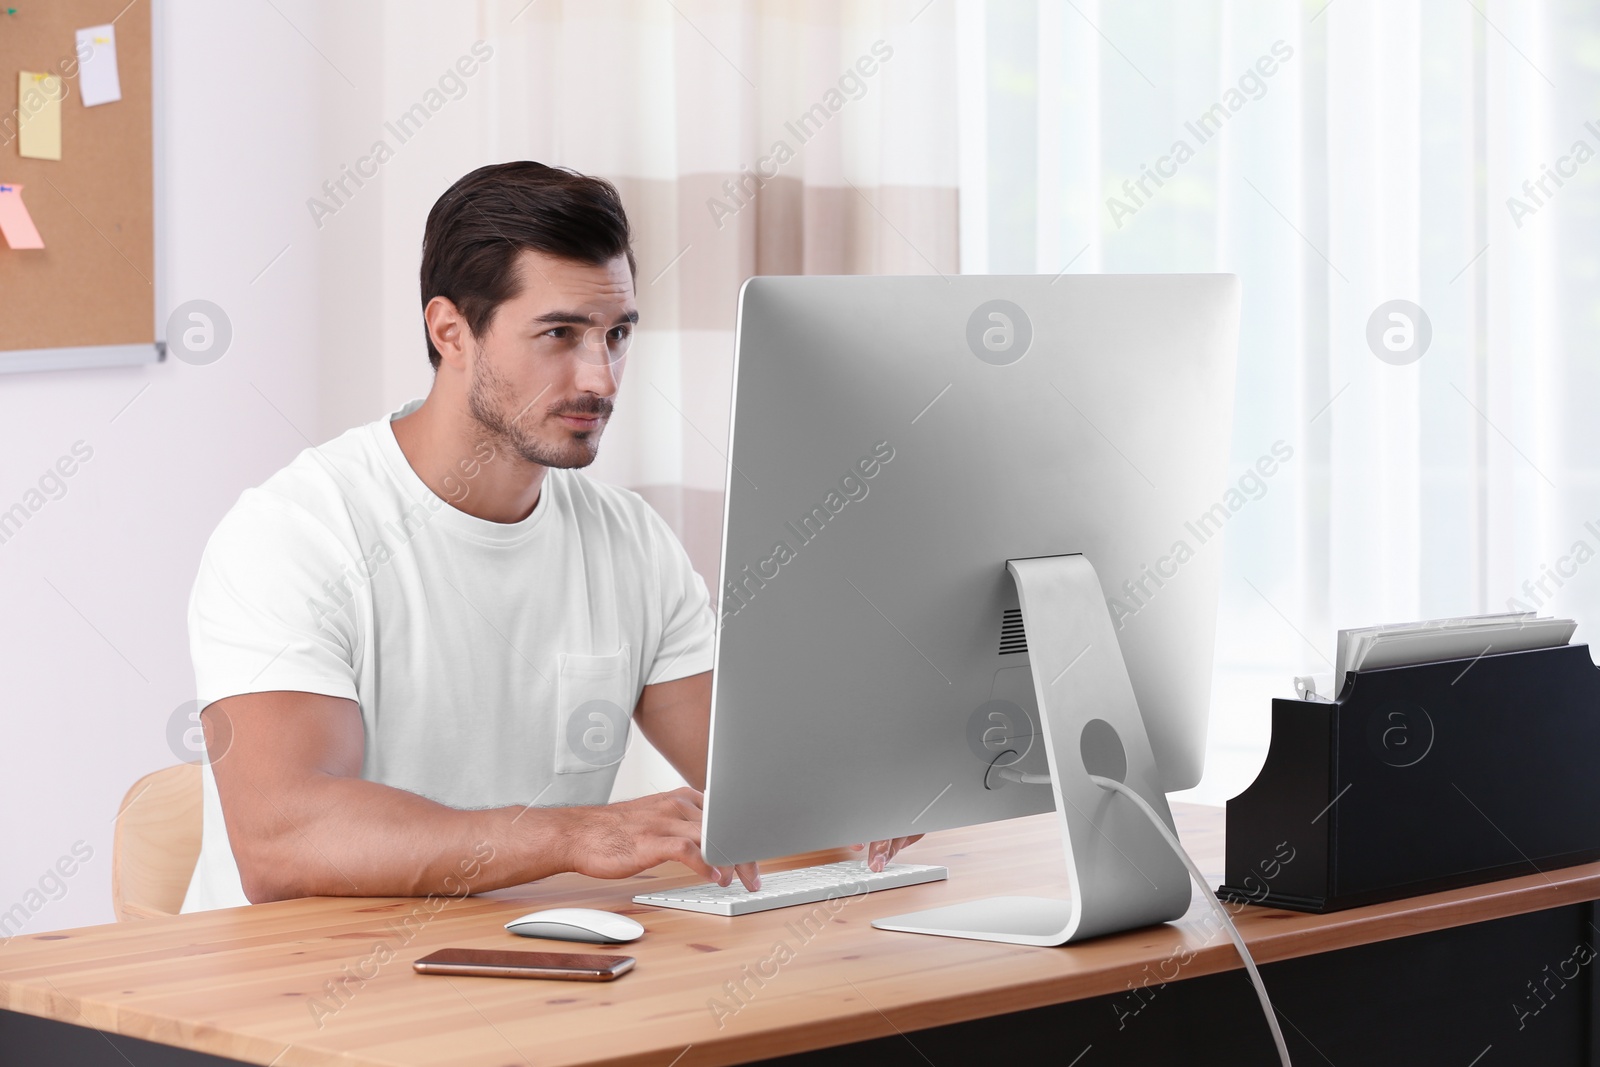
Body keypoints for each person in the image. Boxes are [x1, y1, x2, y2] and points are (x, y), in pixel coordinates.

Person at [180, 161, 917, 912]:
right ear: (450, 331)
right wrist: (571, 835)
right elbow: (282, 840)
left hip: (524, 973)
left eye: (618, 334)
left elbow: (758, 781)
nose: (601, 378)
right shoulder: (297, 534)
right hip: (287, 998)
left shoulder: (629, 542)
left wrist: (873, 783)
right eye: (560, 334)